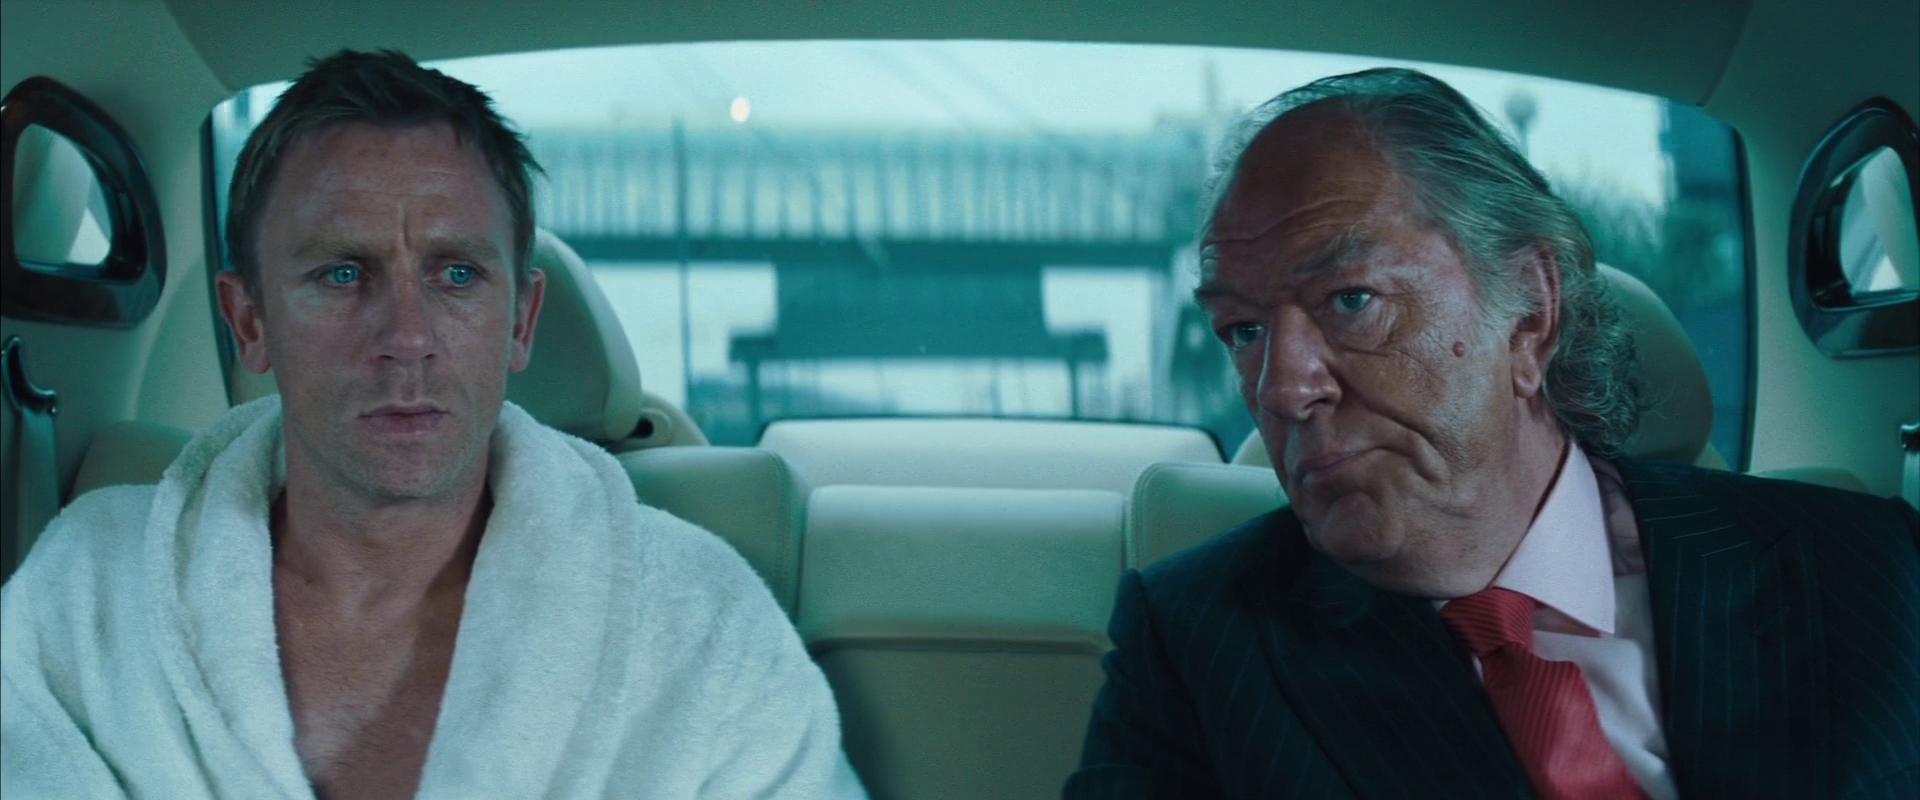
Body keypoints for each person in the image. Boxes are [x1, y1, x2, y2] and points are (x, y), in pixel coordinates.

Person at [1, 50, 866, 799]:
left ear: (522, 320)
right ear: (249, 320)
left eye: (456, 275)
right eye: (343, 274)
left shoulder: (698, 625)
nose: (406, 338)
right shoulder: (89, 595)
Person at [1067, 67, 1920, 799]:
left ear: (1529, 313)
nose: (1282, 388)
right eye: (1243, 330)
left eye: (1351, 300)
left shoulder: (1866, 566)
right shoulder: (1196, 643)